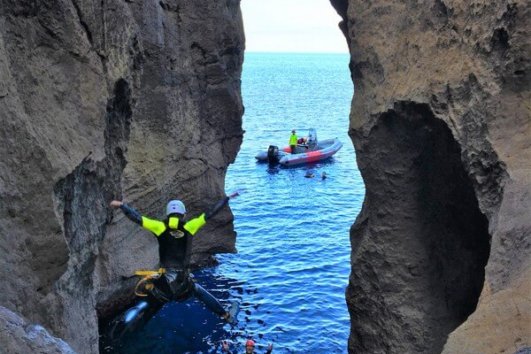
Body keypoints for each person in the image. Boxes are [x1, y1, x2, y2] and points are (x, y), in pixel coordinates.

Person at [108, 193, 240, 338]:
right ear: (183, 214)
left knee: (148, 304)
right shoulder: (190, 226)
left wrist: (122, 206)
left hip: (163, 282)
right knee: (199, 292)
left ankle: (126, 326)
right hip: (182, 282)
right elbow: (210, 213)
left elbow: (137, 218)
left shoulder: (159, 226)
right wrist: (226, 199)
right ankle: (226, 315)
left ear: (168, 213)